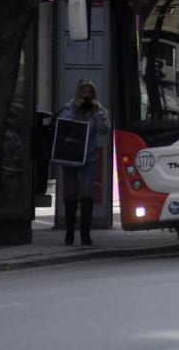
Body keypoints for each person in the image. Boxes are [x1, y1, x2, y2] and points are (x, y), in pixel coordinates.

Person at [56, 79, 110, 246]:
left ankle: (85, 234)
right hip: (71, 156)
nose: (86, 95)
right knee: (71, 193)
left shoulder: (97, 109)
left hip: (89, 156)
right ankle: (69, 233)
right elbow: (63, 123)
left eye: (89, 92)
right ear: (78, 93)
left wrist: (96, 114)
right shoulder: (70, 106)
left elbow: (103, 131)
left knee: (86, 192)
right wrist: (77, 109)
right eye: (83, 92)